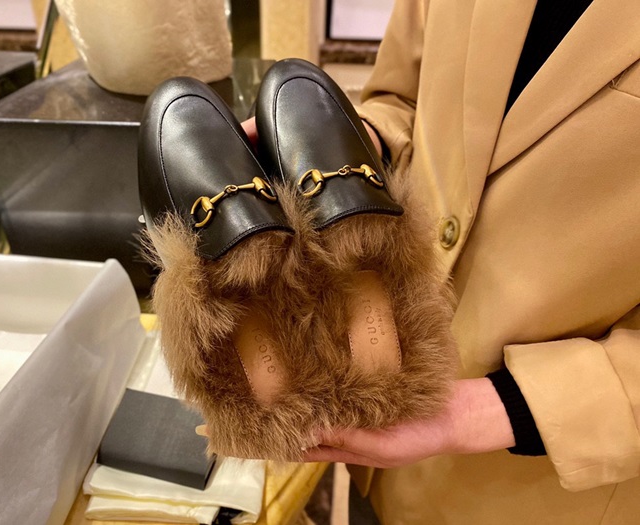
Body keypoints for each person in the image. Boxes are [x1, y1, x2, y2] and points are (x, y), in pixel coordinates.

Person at [243, 0, 640, 523]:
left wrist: (484, 412)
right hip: (372, 420)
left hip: (533, 487)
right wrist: (357, 148)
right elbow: (403, 97)